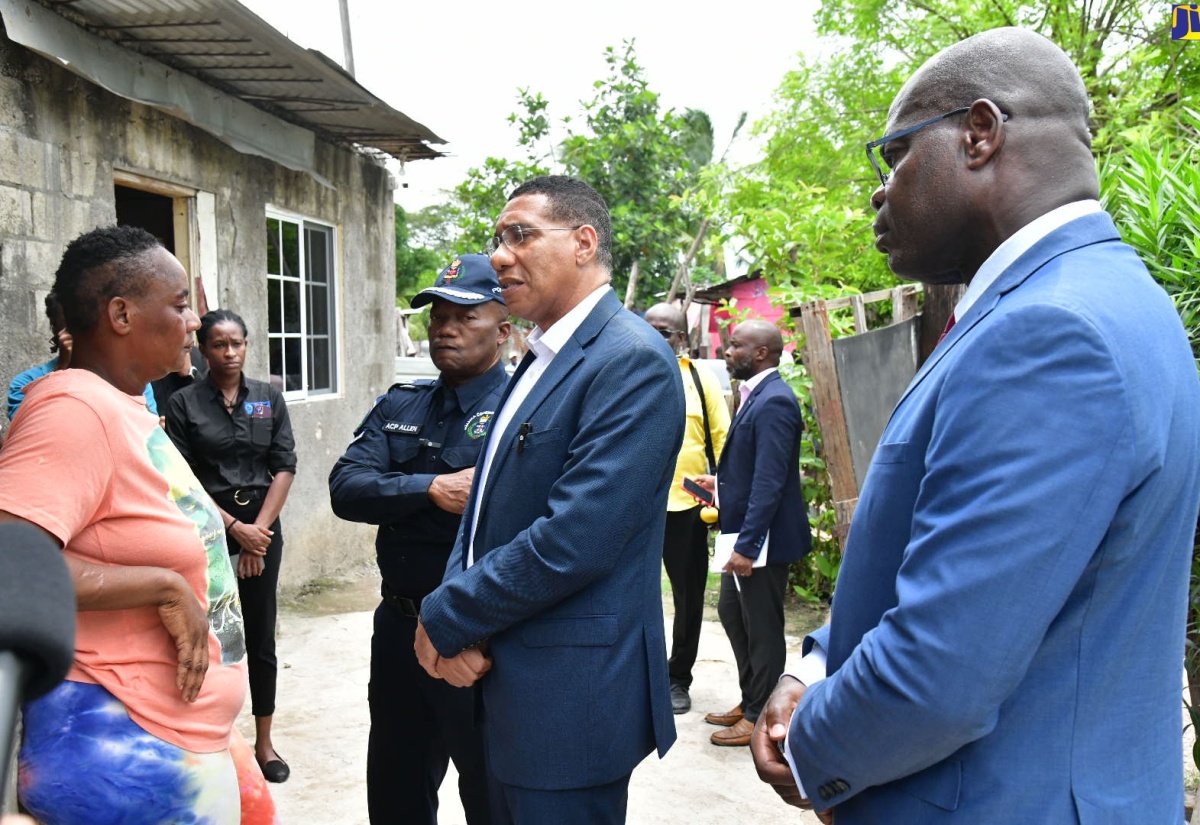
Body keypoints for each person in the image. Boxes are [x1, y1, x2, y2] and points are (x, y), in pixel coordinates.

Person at [751, 27, 1200, 824]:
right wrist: (819, 665)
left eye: (893, 157)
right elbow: (956, 567)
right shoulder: (1107, 299)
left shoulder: (1051, 334)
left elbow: (942, 670)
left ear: (980, 133)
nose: (879, 193)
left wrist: (812, 741)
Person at [414, 175, 685, 824]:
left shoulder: (630, 359)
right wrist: (462, 620)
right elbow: (482, 510)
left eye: (521, 235)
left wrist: (444, 612)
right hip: (507, 679)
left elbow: (576, 538)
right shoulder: (542, 355)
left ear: (584, 242)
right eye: (497, 239)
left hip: (570, 702)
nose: (501, 255)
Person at [0, 225, 275, 823]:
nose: (194, 324)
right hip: (121, 747)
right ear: (121, 314)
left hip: (176, 734)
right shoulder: (71, 408)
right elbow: (10, 564)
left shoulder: (124, 404)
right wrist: (163, 586)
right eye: (179, 306)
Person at [329, 253, 510, 824]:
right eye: (437, 317)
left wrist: (395, 493)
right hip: (400, 627)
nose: (446, 328)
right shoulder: (401, 404)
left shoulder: (520, 411)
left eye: (465, 316)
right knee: (396, 790)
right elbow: (346, 488)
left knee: (490, 794)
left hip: (479, 638)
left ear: (504, 331)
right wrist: (430, 489)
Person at [166, 309, 297, 784]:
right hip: (206, 529)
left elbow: (284, 466)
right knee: (206, 632)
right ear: (203, 351)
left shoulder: (268, 397)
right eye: (219, 344)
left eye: (237, 343)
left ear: (247, 345)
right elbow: (181, 477)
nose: (229, 352)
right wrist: (234, 528)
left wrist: (257, 533)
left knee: (260, 636)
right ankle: (207, 740)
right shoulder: (183, 404)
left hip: (263, 527)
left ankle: (264, 743)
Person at [693, 320, 810, 747]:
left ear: (761, 353)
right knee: (731, 612)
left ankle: (762, 714)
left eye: (735, 345)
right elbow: (752, 469)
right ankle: (751, 697)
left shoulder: (776, 400)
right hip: (742, 535)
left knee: (761, 625)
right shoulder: (756, 394)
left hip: (760, 543)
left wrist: (747, 546)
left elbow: (771, 482)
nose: (727, 351)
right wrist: (719, 485)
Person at [642, 302, 729, 715]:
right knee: (630, 593)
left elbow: (723, 439)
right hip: (635, 504)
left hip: (688, 507)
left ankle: (678, 678)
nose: (657, 337)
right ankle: (637, 673)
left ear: (682, 339)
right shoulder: (626, 372)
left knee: (688, 598)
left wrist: (724, 496)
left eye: (666, 331)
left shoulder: (700, 379)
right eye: (650, 329)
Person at [7, 292, 158, 422]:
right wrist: (63, 370)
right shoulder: (25, 383)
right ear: (56, 327)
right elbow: (32, 431)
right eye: (69, 325)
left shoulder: (130, 378)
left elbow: (149, 434)